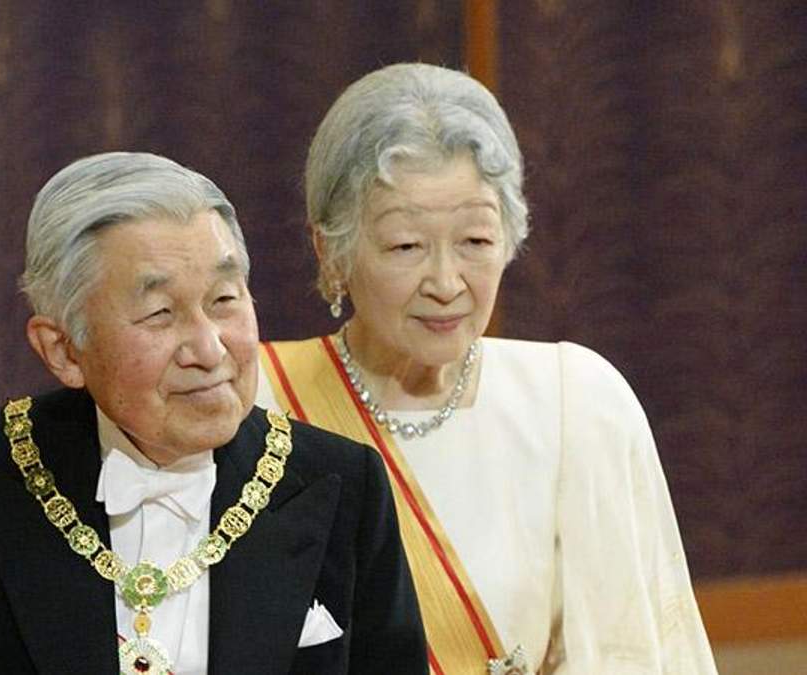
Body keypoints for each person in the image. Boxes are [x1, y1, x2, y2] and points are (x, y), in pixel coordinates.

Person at [0, 152, 428, 674]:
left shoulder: (339, 483)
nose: (209, 350)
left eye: (225, 300)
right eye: (159, 314)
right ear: (63, 350)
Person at [255, 63, 717, 673]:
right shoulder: (257, 402)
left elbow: (630, 654)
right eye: (406, 246)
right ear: (329, 250)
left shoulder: (575, 404)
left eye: (475, 242)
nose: (446, 283)